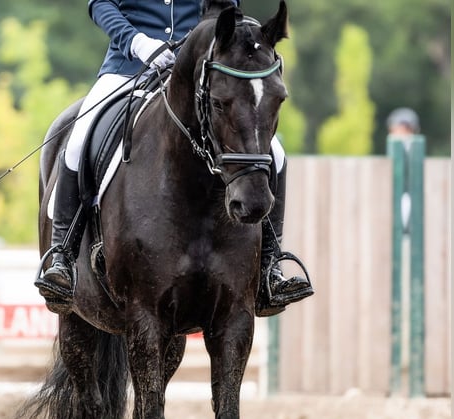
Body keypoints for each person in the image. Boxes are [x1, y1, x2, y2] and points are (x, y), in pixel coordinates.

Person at [38, 0, 313, 313]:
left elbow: (225, 10)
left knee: (275, 152)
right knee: (77, 140)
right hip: (127, 67)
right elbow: (101, 4)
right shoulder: (131, 50)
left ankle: (271, 265)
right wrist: (136, 42)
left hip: (196, 72)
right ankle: (62, 256)